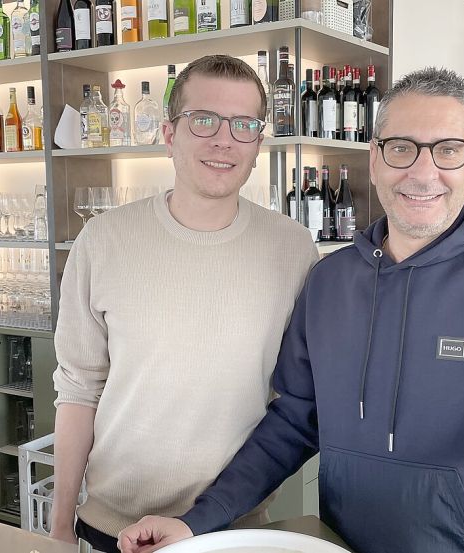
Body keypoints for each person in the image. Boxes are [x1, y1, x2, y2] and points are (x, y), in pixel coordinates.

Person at [118, 67, 464, 553]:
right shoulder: (330, 281)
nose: (423, 173)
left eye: (447, 150)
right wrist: (199, 520)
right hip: (342, 544)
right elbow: (293, 421)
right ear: (374, 158)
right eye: (401, 148)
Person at [50, 54, 319, 553]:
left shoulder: (295, 248)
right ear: (170, 134)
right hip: (110, 528)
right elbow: (78, 389)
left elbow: (294, 402)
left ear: (258, 142)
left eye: (243, 125)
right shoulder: (103, 240)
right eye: (204, 120)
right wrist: (61, 527)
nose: (224, 140)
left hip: (234, 528)